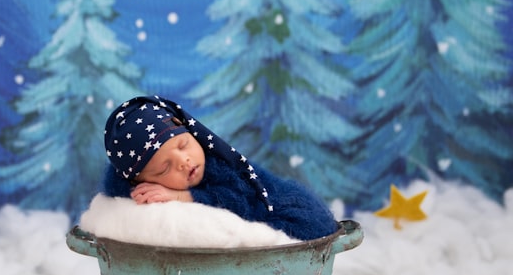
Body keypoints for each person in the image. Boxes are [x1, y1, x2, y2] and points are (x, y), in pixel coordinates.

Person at [101, 95, 339, 241]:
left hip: (280, 207)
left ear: (189, 131)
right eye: (164, 169)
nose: (184, 162)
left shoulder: (220, 165)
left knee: (297, 229)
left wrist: (185, 196)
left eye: (183, 145)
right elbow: (122, 190)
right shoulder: (133, 180)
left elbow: (241, 201)